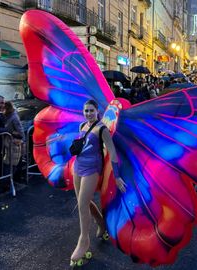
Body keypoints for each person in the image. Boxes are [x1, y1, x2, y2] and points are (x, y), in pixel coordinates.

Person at [70, 99, 126, 267]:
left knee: (82, 205)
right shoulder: (82, 126)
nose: (88, 113)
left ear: (97, 111)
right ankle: (102, 224)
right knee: (83, 203)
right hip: (78, 167)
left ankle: (83, 241)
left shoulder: (102, 129)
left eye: (91, 111)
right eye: (86, 110)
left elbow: (113, 152)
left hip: (92, 169)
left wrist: (116, 176)